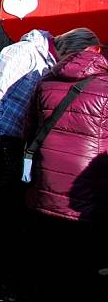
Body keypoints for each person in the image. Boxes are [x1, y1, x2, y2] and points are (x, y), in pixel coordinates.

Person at [0, 27, 100, 283]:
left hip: (17, 139)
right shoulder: (22, 52)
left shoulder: (52, 62)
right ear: (70, 49)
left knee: (5, 202)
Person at [22, 39, 108, 296]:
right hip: (87, 189)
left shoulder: (46, 81)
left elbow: (28, 130)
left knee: (45, 255)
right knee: (81, 262)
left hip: (46, 180)